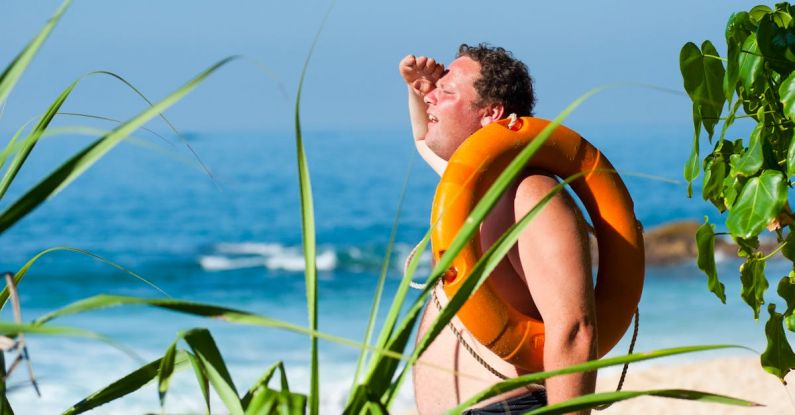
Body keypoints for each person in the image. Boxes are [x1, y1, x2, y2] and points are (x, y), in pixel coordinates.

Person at [401, 44, 597, 414]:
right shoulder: (475, 189)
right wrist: (419, 89)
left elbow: (574, 329)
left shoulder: (529, 195)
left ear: (490, 113)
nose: (431, 100)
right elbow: (422, 139)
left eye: (447, 92)